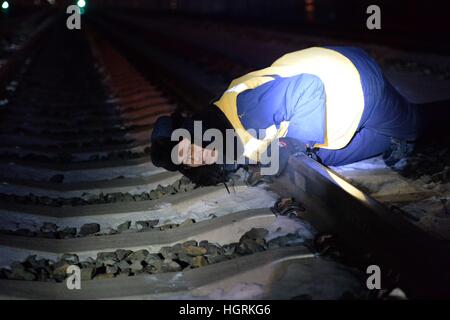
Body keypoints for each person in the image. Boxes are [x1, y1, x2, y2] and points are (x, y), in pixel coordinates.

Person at [150, 46, 428, 186]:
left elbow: (308, 87)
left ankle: (405, 132)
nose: (194, 158)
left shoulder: (245, 113)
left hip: (351, 81)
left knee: (415, 125)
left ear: (195, 129)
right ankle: (397, 138)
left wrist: (293, 142)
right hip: (342, 94)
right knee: (295, 154)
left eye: (188, 148)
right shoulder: (226, 131)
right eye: (185, 162)